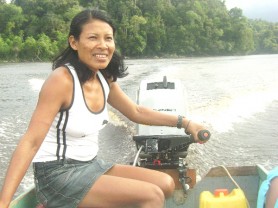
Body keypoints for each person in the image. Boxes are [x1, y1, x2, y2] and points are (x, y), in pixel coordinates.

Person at [0, 9, 209, 208]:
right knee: (151, 195)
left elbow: (136, 112)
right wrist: (4, 202)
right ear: (74, 42)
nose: (103, 45)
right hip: (58, 174)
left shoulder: (103, 78)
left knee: (166, 184)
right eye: (93, 38)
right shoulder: (62, 81)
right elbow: (31, 142)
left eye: (108, 38)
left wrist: (185, 122)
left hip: (90, 165)